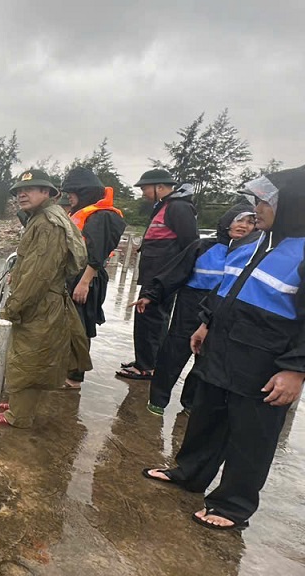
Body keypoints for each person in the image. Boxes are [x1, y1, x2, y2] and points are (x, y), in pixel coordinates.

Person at [143, 165, 305, 530]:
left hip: (266, 360)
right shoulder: (257, 243)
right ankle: (190, 472)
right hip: (222, 346)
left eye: (265, 202)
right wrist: (206, 322)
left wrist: (296, 369)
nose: (256, 209)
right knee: (206, 415)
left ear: (294, 205)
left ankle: (232, 504)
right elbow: (228, 288)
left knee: (252, 435)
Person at [132, 203, 258, 414]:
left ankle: (190, 403)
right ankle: (158, 400)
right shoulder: (203, 246)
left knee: (206, 361)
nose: (244, 226)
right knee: (173, 354)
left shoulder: (253, 254)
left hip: (222, 311)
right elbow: (174, 273)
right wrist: (150, 296)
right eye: (240, 220)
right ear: (227, 222)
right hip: (191, 305)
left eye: (250, 222)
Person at [0, 169, 92, 428]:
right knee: (31, 356)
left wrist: (11, 309)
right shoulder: (43, 217)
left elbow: (36, 277)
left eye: (30, 189)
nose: (22, 195)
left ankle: (19, 417)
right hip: (44, 299)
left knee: (28, 357)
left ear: (48, 192)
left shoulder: (47, 224)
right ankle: (19, 404)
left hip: (40, 302)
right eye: (18, 191)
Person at [118, 169, 199, 380]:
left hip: (162, 279)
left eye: (145, 188)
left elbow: (191, 245)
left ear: (160, 187)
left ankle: (148, 367)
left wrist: (172, 277)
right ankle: (145, 360)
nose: (143, 193)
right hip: (153, 276)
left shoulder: (179, 208)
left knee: (153, 320)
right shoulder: (165, 206)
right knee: (146, 320)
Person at [61, 167, 127, 389]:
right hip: (76, 275)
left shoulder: (102, 216)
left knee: (80, 326)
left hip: (87, 277)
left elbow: (96, 253)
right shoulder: (85, 212)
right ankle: (67, 370)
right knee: (69, 324)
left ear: (84, 192)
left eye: (72, 192)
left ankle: (74, 378)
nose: (69, 197)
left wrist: (84, 282)